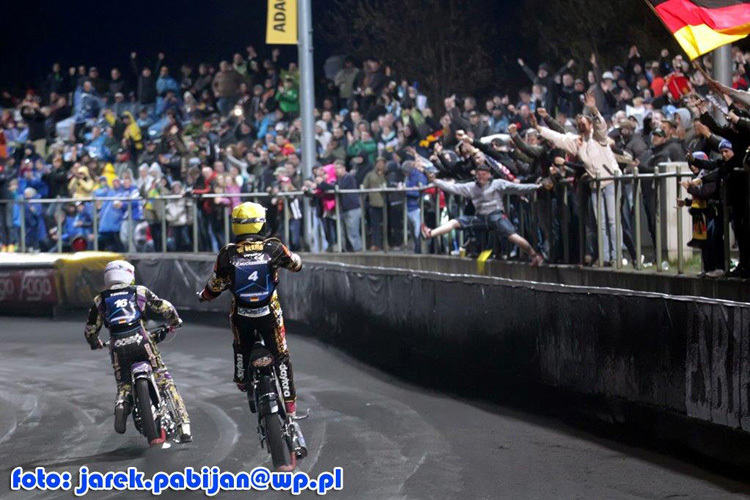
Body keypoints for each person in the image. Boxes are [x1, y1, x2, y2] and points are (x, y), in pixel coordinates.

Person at [197, 202, 303, 419]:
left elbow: (216, 285)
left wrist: (204, 296)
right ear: (261, 224)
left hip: (242, 315)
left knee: (240, 346)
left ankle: (242, 379)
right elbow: (296, 265)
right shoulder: (274, 247)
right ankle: (291, 407)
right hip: (269, 313)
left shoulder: (227, 253)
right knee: (281, 356)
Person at [84, 260, 191, 444]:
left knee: (124, 383)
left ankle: (122, 403)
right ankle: (184, 425)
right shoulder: (139, 291)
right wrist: (175, 321)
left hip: (117, 345)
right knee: (164, 379)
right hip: (142, 340)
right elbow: (164, 306)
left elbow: (90, 329)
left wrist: (95, 343)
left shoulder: (100, 299)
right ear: (129, 275)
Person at [420, 163, 544, 266]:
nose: (481, 178)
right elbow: (453, 188)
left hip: (496, 216)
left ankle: (534, 255)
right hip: (480, 218)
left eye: (483, 175)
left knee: (511, 235)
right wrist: (435, 181)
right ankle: (430, 233)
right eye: (478, 175)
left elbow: (518, 188)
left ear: (489, 175)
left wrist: (538, 187)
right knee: (455, 222)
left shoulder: (498, 184)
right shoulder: (470, 187)